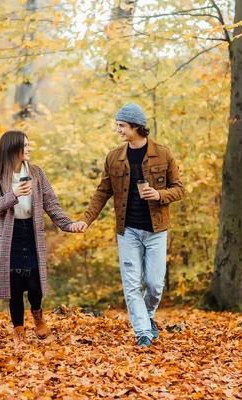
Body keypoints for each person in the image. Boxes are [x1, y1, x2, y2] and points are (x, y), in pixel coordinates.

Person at [77, 103, 185, 348]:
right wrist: (86, 220)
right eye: (118, 125)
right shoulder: (114, 157)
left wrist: (159, 195)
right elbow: (102, 192)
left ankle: (147, 316)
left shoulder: (164, 154)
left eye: (122, 125)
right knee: (132, 284)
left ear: (136, 126)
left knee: (156, 284)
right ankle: (143, 333)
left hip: (157, 230)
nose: (118, 130)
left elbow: (179, 189)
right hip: (128, 232)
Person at [0, 130, 85, 349]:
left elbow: (52, 204)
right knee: (14, 287)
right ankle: (18, 332)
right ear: (13, 148)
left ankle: (38, 315)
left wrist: (69, 225)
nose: (29, 149)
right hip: (9, 236)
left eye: (29, 144)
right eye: (26, 145)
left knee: (35, 282)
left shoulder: (37, 174)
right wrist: (14, 195)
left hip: (32, 232)